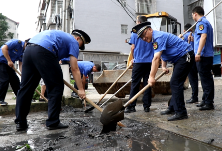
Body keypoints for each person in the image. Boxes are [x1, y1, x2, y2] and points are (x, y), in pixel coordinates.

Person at [14, 29, 91, 131]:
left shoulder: (59, 36)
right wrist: (81, 89)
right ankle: (53, 122)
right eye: (81, 45)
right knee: (56, 87)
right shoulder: (73, 42)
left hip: (29, 50)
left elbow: (59, 60)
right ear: (78, 38)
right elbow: (75, 68)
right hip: (44, 51)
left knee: (26, 88)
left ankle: (20, 123)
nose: (79, 48)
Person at [132, 21, 194, 121]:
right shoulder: (154, 39)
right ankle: (173, 107)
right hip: (179, 58)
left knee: (175, 82)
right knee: (175, 83)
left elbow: (156, 58)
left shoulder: (158, 37)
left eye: (144, 34)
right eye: (141, 37)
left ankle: (181, 112)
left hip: (185, 55)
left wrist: (151, 77)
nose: (144, 38)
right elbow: (163, 54)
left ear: (150, 30)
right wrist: (164, 67)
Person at [124, 16, 153, 113]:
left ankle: (131, 106)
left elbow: (132, 48)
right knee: (147, 84)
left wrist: (133, 58)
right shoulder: (151, 32)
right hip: (150, 62)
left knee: (135, 84)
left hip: (138, 62)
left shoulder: (134, 33)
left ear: (139, 22)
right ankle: (147, 106)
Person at [191, 6, 214, 110]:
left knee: (206, 79)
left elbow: (203, 37)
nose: (192, 17)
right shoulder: (205, 22)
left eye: (192, 15)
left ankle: (209, 103)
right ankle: (205, 100)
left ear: (195, 14)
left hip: (204, 56)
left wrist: (198, 53)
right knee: (205, 78)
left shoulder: (201, 22)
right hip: (206, 55)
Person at [0, 39, 29, 105]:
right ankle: (0, 99)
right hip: (1, 62)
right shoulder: (16, 42)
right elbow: (4, 48)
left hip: (9, 65)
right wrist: (9, 60)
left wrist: (23, 73)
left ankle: (21, 98)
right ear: (26, 43)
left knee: (15, 81)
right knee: (4, 80)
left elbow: (21, 64)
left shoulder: (23, 52)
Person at [182, 23, 199, 104]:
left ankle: (194, 97)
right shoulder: (195, 35)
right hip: (197, 57)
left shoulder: (184, 36)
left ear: (184, 30)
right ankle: (196, 96)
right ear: (191, 29)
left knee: (192, 78)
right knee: (196, 78)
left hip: (189, 58)